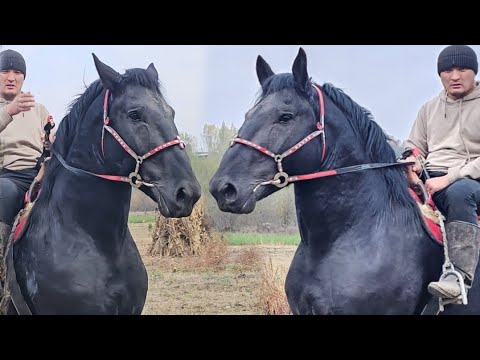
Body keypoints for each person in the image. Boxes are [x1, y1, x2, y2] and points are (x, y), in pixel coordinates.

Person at [403, 45, 480, 303]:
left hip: (470, 181)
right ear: (440, 75)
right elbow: (414, 145)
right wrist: (412, 163)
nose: (455, 76)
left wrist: (449, 178)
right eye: (448, 70)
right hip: (430, 179)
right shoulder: (429, 108)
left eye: (462, 69)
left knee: (460, 193)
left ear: (474, 71)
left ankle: (458, 278)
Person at [0, 49, 53, 242]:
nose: (12, 77)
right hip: (8, 176)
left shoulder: (38, 109)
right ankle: (1, 263)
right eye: (5, 71)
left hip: (40, 173)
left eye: (18, 73)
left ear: (24, 77)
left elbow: (53, 135)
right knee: (3, 192)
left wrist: (54, 140)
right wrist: (9, 111)